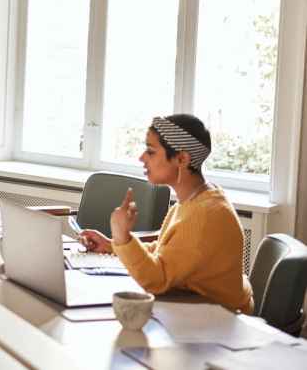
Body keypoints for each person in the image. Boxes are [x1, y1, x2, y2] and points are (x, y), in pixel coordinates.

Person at [79, 114, 254, 313]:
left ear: (182, 159)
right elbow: (166, 251)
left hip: (218, 322)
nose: (142, 158)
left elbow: (155, 281)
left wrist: (123, 238)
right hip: (192, 310)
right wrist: (111, 246)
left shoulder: (205, 215)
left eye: (151, 152)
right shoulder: (195, 200)